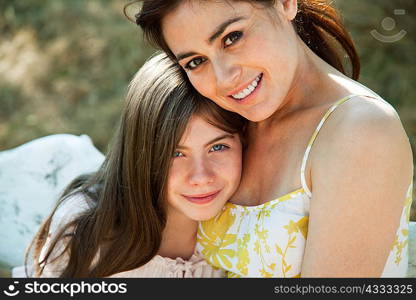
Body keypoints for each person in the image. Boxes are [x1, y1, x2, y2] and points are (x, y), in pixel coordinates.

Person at [133, 0, 414, 277]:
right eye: (196, 61)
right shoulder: (227, 120)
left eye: (232, 37)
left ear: (285, 4)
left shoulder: (361, 130)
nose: (224, 78)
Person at [26, 53, 245, 278]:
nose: (201, 176)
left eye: (218, 147)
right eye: (175, 153)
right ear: (140, 152)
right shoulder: (87, 231)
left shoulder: (249, 225)